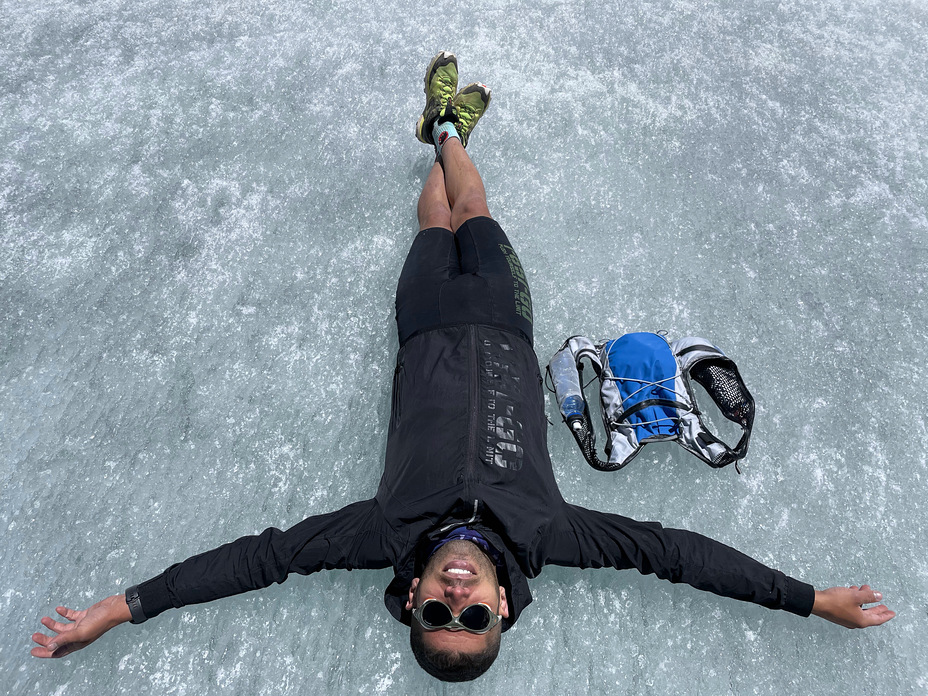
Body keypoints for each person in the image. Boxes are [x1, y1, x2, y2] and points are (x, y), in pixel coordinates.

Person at [31, 51, 895, 682]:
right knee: (475, 206)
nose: (455, 599)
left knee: (432, 228)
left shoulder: (380, 534)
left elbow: (256, 561)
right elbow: (676, 555)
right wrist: (807, 599)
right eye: (473, 620)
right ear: (502, 609)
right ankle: (449, 134)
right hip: (507, 326)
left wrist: (124, 606)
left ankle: (436, 138)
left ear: (410, 601)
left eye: (439, 617)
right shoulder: (551, 534)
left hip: (426, 326)